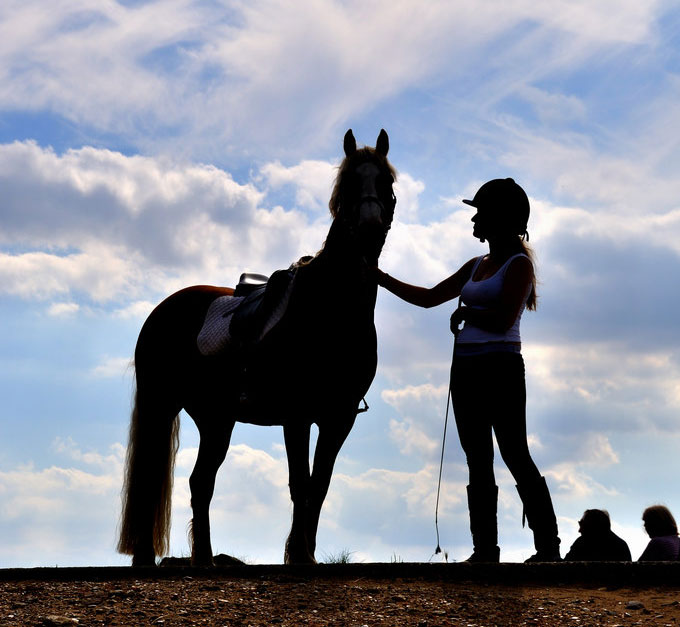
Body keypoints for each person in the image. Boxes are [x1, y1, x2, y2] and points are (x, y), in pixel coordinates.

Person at [374, 177, 560, 562]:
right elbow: (428, 299)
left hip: (502, 368)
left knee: (514, 454)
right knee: (478, 458)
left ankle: (548, 548)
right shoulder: (476, 265)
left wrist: (465, 311)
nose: (474, 219)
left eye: (480, 212)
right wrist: (380, 277)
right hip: (468, 370)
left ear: (499, 218)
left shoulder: (519, 264)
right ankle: (485, 550)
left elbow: (504, 316)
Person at [564, 509, 631, 561]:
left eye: (582, 525)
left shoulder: (581, 543)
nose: (579, 530)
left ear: (593, 525)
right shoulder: (621, 546)